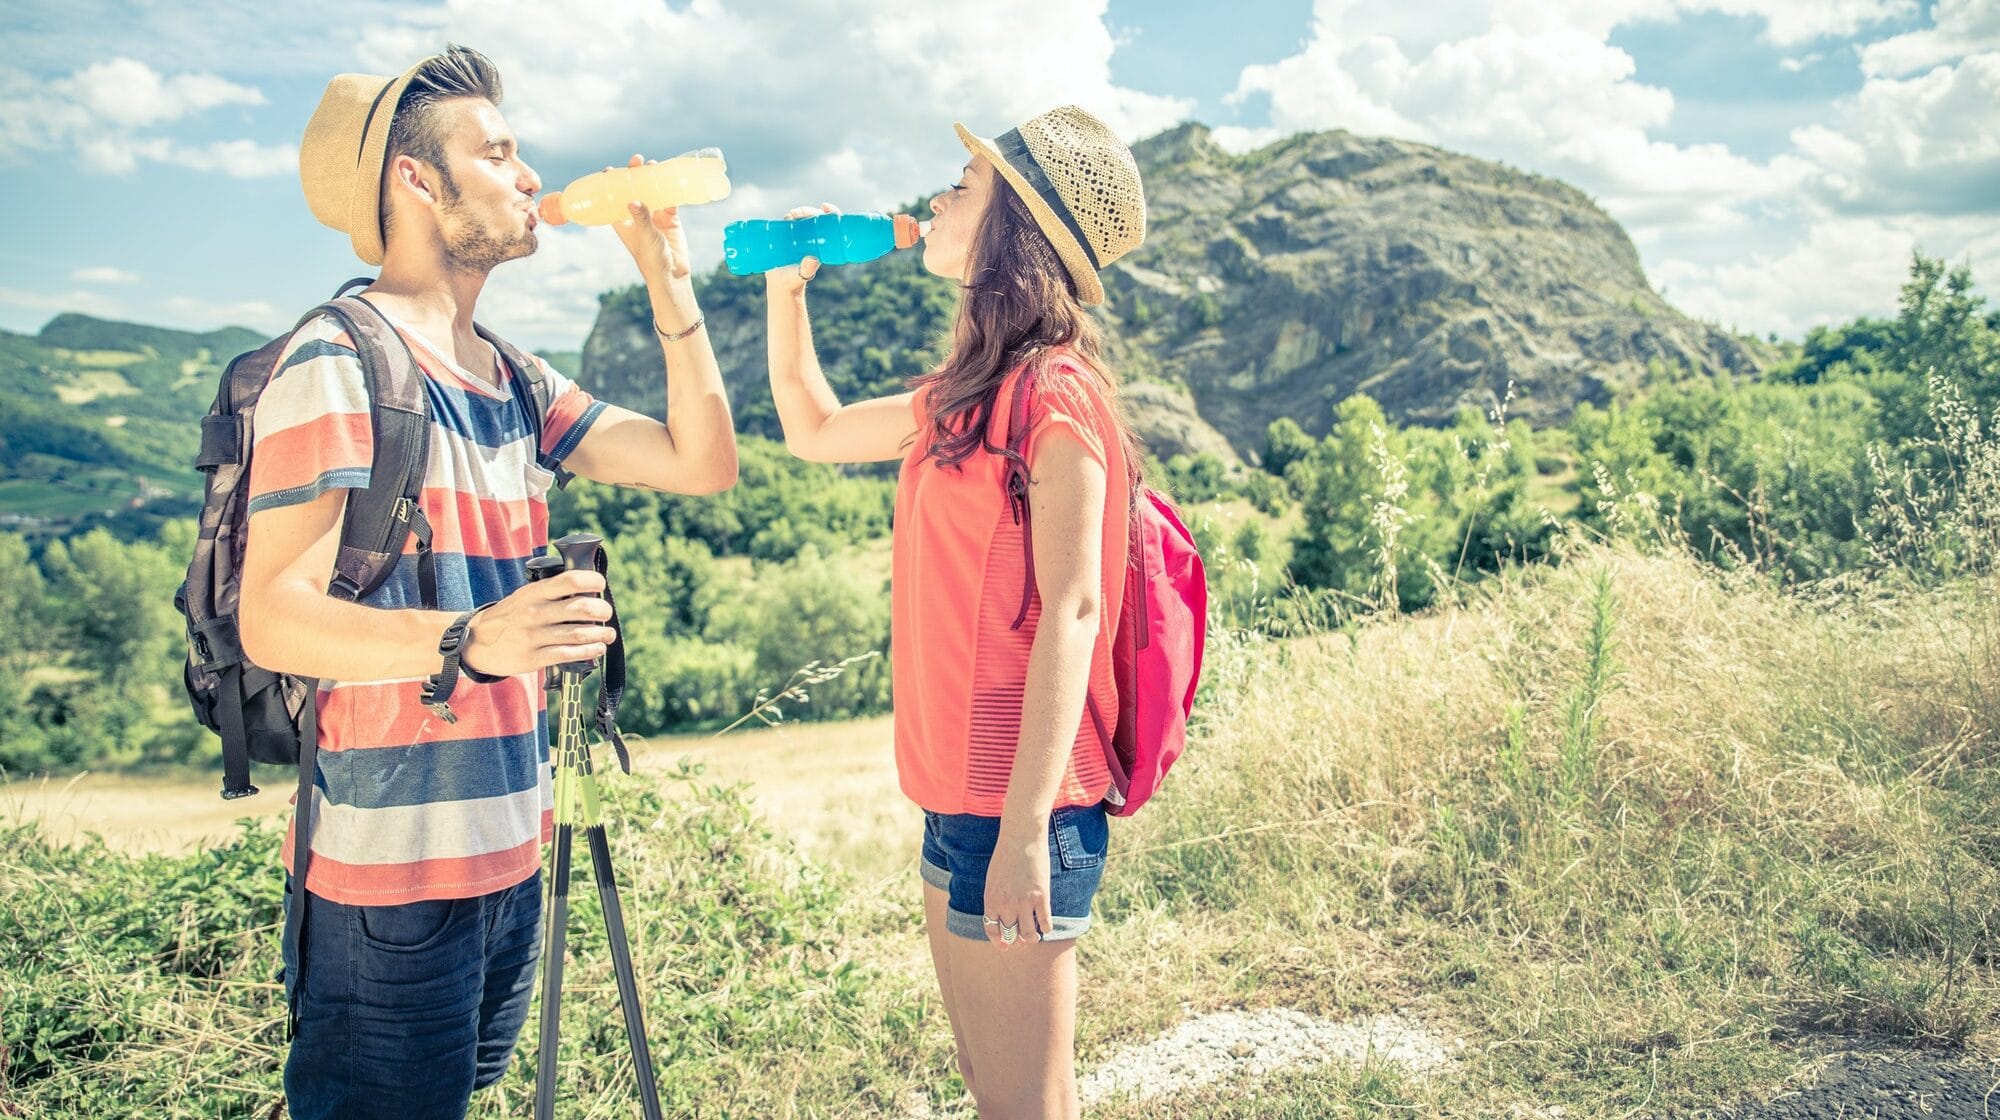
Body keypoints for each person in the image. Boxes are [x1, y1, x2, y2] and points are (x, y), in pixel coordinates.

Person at [237, 45, 736, 1119]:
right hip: (391, 876)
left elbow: (702, 462)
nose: (525, 174)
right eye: (496, 153)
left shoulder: (512, 376)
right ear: (417, 183)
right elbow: (271, 614)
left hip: (511, 847)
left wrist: (668, 280)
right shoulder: (337, 356)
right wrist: (473, 640)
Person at [761, 105, 1146, 1118]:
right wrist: (782, 292)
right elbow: (812, 428)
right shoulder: (965, 392)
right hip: (954, 799)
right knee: (992, 1087)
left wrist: (1023, 828)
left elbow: (1072, 609)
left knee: (1026, 1105)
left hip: (1022, 807)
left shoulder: (1056, 393)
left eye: (962, 184)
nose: (936, 197)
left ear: (1016, 226)